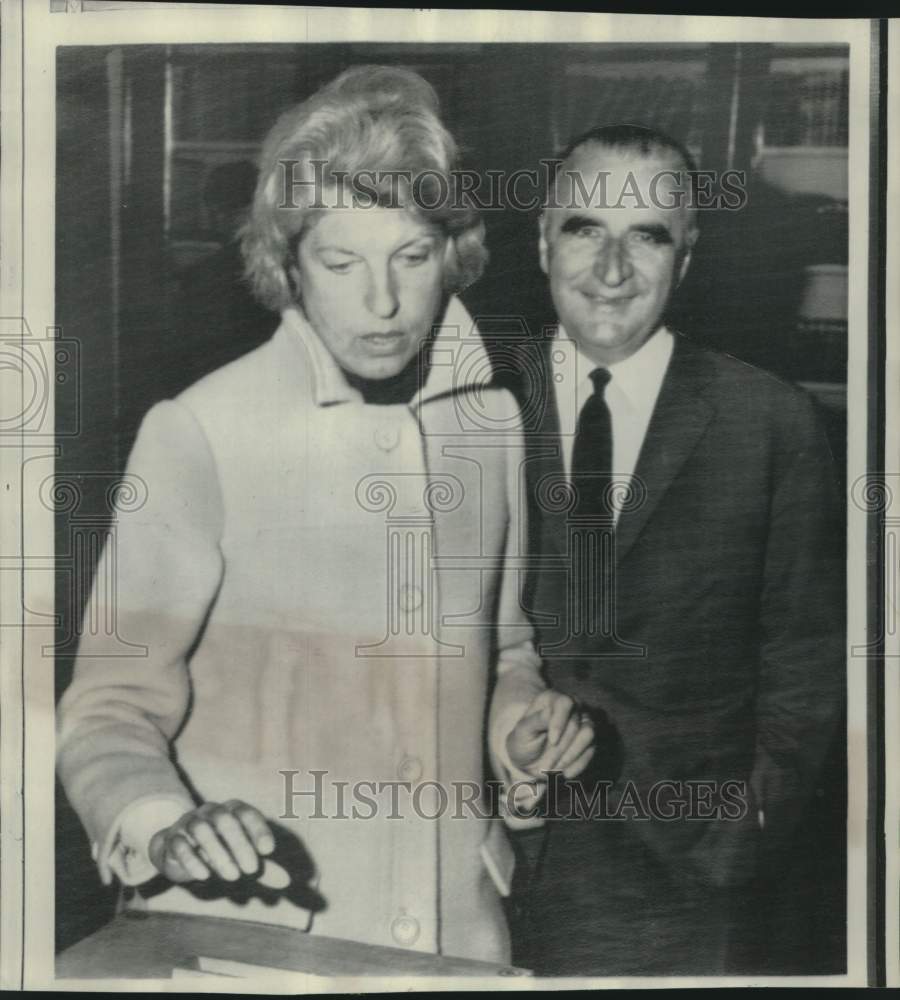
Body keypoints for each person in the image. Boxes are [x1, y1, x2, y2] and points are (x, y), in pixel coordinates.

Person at [56, 66, 594, 966]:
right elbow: (108, 706)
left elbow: (502, 650)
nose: (381, 303)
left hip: (459, 934)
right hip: (249, 936)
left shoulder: (490, 423)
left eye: (411, 258)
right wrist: (165, 823)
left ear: (451, 255)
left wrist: (521, 726)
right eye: (341, 263)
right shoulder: (200, 431)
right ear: (289, 265)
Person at [508, 124, 844, 975]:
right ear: (542, 238)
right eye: (586, 228)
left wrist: (744, 833)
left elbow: (806, 662)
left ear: (685, 257)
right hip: (481, 857)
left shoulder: (771, 423)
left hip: (686, 879)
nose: (612, 269)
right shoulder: (466, 402)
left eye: (647, 236)